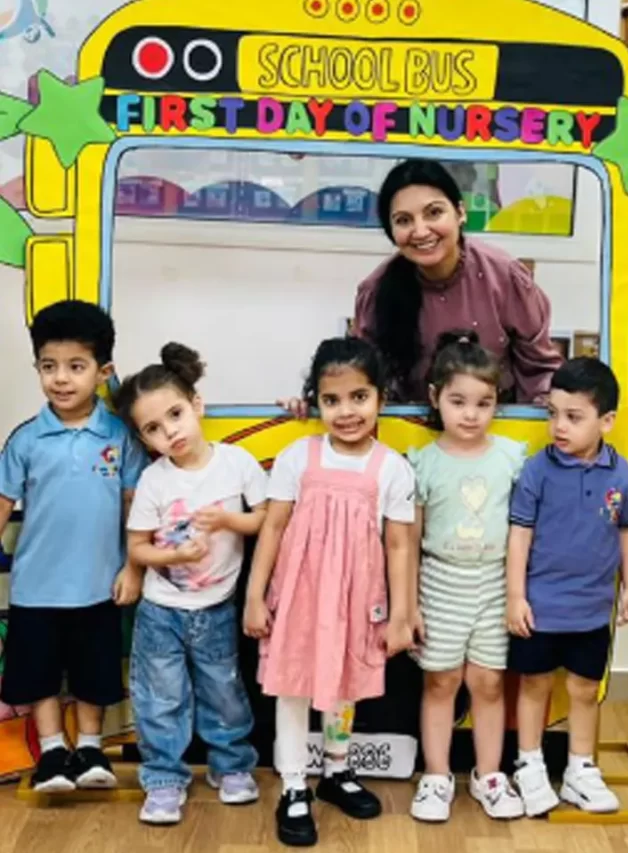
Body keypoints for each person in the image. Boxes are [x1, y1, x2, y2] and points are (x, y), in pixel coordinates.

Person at [243, 337, 415, 847]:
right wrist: (256, 597)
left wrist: (403, 613)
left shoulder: (391, 467)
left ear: (380, 398)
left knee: (343, 687)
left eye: (359, 397)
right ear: (315, 401)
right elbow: (272, 528)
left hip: (356, 600)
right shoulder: (299, 456)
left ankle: (337, 770)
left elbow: (401, 545)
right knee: (295, 685)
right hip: (299, 595)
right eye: (332, 400)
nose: (346, 411)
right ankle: (295, 784)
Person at [114, 343, 267, 825]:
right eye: (153, 429)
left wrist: (227, 519)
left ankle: (232, 767)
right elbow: (137, 548)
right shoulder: (155, 481)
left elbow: (266, 520)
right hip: (161, 611)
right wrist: (174, 555)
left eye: (175, 414)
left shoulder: (237, 463)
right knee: (160, 698)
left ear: (197, 405)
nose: (169, 432)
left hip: (218, 606)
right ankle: (162, 780)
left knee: (224, 691)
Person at [0, 300, 147, 792]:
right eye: (49, 366)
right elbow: (3, 503)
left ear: (102, 372)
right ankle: (53, 753)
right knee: (37, 673)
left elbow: (134, 509)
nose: (61, 379)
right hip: (36, 587)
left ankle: (88, 747)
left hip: (99, 585)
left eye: (76, 366)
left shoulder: (121, 437)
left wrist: (135, 568)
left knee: (95, 672)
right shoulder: (25, 440)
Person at [279, 159, 561, 415]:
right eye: (404, 221)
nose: (421, 231)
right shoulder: (376, 291)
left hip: (493, 433)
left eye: (434, 213)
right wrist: (314, 402)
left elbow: (540, 371)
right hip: (408, 436)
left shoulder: (505, 277)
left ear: (460, 213)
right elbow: (361, 376)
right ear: (392, 232)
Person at [507, 357, 628, 816]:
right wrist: (516, 595)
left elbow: (625, 530)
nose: (558, 426)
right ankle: (529, 763)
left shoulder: (622, 474)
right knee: (535, 685)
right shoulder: (536, 471)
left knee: (585, 689)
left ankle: (580, 769)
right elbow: (519, 534)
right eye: (552, 413)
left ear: (607, 421)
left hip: (591, 609)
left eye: (573, 417)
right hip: (540, 606)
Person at [408, 330, 525, 823]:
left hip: (494, 583)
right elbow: (408, 541)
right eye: (458, 401)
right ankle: (436, 776)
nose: (471, 414)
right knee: (441, 681)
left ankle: (488, 774)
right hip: (440, 582)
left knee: (489, 683)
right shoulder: (422, 461)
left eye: (484, 402)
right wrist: (408, 602)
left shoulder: (513, 456)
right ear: (436, 398)